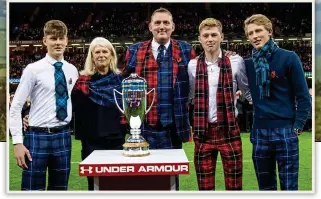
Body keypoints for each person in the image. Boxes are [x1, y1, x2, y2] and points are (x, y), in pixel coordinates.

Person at [124, 7, 196, 190]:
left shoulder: (186, 50)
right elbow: (122, 84)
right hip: (142, 127)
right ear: (150, 26)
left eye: (166, 22)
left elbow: (200, 74)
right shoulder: (135, 50)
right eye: (157, 22)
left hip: (173, 127)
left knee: (171, 179)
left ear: (173, 26)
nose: (161, 26)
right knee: (142, 180)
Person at [243, 14, 311, 190]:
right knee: (265, 189)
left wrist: (297, 126)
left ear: (270, 32)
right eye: (250, 33)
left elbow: (303, 96)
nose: (255, 36)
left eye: (258, 30)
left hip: (285, 130)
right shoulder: (248, 64)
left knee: (289, 188)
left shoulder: (289, 57)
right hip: (259, 132)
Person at [9, 20, 78, 190]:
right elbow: (16, 106)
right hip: (37, 136)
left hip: (63, 135)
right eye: (53, 38)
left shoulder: (72, 70)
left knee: (60, 189)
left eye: (61, 38)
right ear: (45, 40)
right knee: (32, 190)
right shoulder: (33, 69)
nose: (58, 42)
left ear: (67, 40)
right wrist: (17, 142)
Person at [188, 18, 251, 191]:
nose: (210, 39)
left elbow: (246, 89)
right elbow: (191, 95)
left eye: (214, 34)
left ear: (221, 37)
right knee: (205, 188)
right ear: (200, 39)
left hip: (229, 130)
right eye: (206, 35)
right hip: (203, 132)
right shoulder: (192, 66)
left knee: (234, 187)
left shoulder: (236, 61)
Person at [71, 37, 126, 191]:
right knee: (94, 186)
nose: (101, 55)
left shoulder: (120, 81)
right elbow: (74, 109)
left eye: (105, 51)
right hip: (91, 141)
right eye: (97, 52)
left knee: (116, 186)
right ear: (92, 56)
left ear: (111, 55)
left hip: (116, 140)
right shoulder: (82, 81)